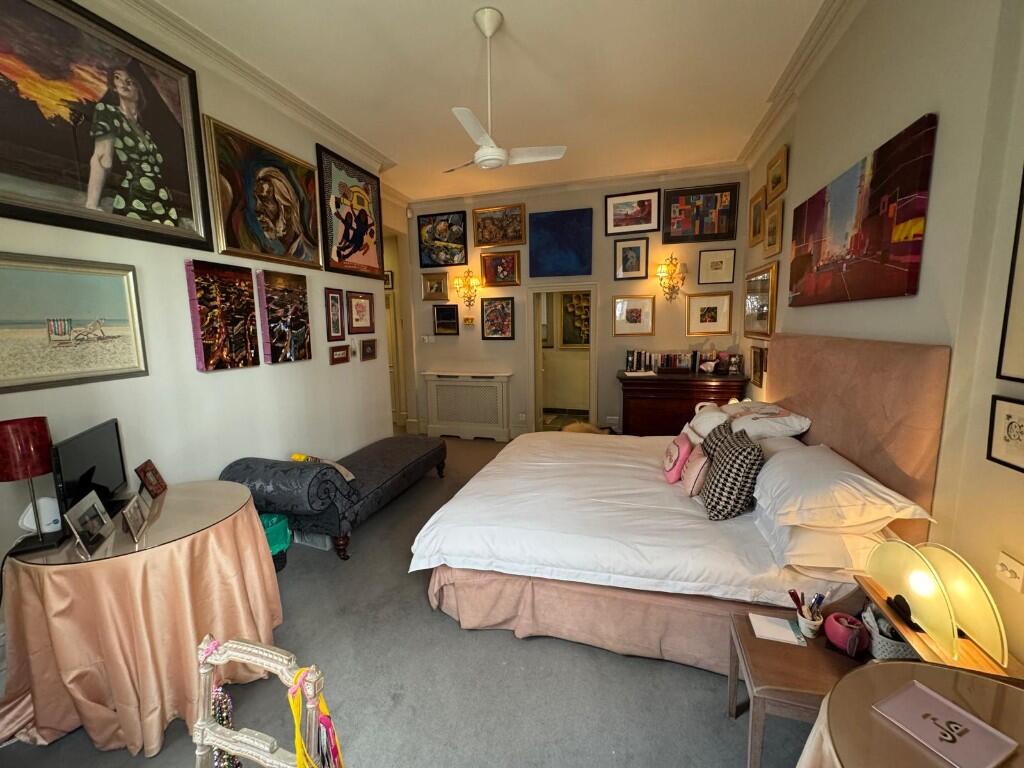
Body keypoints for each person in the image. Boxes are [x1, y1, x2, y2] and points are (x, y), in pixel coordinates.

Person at [85, 63, 178, 226]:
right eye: (117, 78)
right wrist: (92, 204)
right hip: (136, 198)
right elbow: (102, 156)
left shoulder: (146, 132)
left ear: (139, 90)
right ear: (113, 87)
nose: (124, 83)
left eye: (130, 81)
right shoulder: (108, 112)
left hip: (163, 201)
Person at [252, 166, 316, 261]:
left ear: (286, 210)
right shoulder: (265, 251)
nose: (257, 209)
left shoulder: (309, 255)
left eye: (265, 200)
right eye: (256, 200)